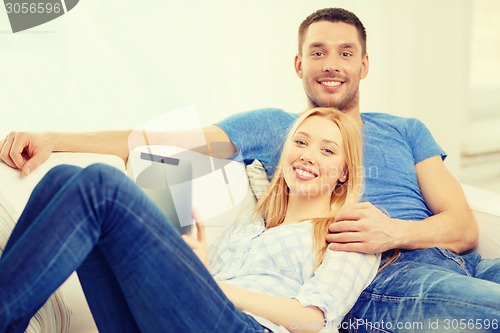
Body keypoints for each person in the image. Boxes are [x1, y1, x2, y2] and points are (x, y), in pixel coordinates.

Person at [1, 6, 499, 333]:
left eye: (345, 53)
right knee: (75, 180)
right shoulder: (271, 132)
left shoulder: (405, 129)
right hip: (389, 279)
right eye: (317, 52)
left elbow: (462, 225)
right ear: (297, 64)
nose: (331, 64)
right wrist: (54, 138)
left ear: (364, 64)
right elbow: (161, 145)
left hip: (439, 258)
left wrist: (390, 229)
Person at [0, 107, 378, 333]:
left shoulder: (351, 231)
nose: (308, 155)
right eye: (300, 142)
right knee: (62, 179)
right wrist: (201, 269)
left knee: (102, 184)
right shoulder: (253, 220)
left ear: (345, 172)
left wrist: (212, 287)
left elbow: (313, 320)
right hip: (189, 317)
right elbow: (163, 146)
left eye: (328, 150)